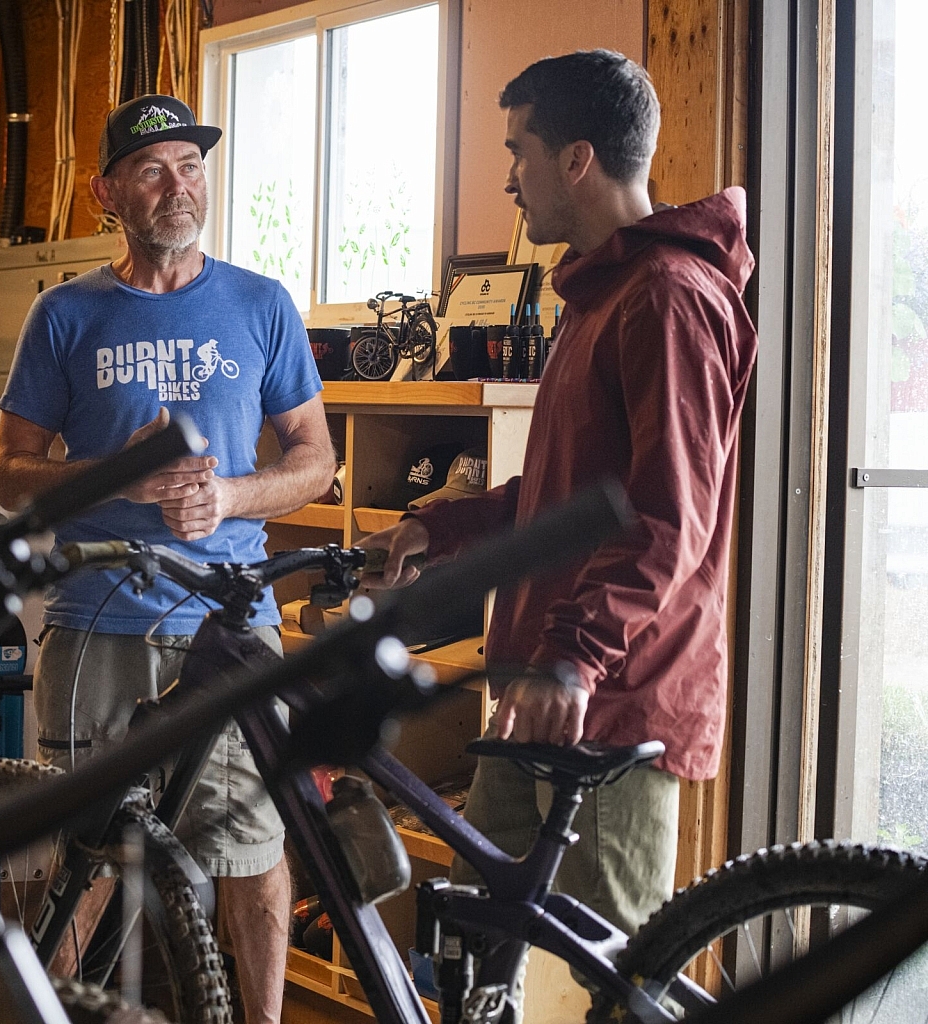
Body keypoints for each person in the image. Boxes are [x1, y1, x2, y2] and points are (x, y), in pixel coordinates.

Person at [363, 48, 758, 986]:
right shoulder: (601, 293)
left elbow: (672, 518)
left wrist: (576, 655)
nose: (507, 177)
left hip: (613, 700)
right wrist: (435, 530)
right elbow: (564, 502)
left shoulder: (668, 297)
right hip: (542, 686)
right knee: (471, 946)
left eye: (518, 150)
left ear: (576, 159)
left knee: (624, 979)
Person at [0, 94, 337, 1024]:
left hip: (229, 624)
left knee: (255, 856)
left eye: (190, 165)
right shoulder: (65, 315)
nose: (177, 186)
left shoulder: (261, 305)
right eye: (151, 169)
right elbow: (9, 472)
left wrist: (228, 496)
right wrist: (122, 482)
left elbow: (316, 460)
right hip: (96, 618)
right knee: (80, 861)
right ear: (109, 191)